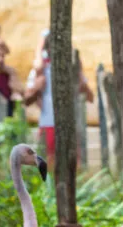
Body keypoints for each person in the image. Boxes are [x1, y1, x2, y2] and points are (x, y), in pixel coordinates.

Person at [24, 30, 93, 166]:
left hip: (70, 125)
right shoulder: (39, 71)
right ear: (48, 50)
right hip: (48, 123)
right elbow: (26, 100)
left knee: (74, 165)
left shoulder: (72, 70)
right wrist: (37, 87)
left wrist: (79, 77)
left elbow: (90, 97)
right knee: (48, 164)